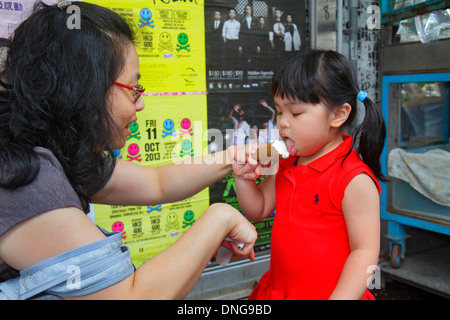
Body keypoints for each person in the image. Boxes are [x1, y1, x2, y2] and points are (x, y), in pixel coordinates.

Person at [0, 2, 257, 300]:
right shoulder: (23, 178)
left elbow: (157, 182)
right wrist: (221, 217)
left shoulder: (56, 151)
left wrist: (237, 155)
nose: (141, 103)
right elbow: (131, 296)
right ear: (85, 88)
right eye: (133, 89)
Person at [232, 49, 387, 300]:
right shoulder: (287, 161)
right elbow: (258, 210)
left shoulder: (354, 179)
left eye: (295, 113)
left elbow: (365, 252)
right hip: (279, 291)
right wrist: (242, 177)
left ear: (338, 115)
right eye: (279, 111)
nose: (282, 122)